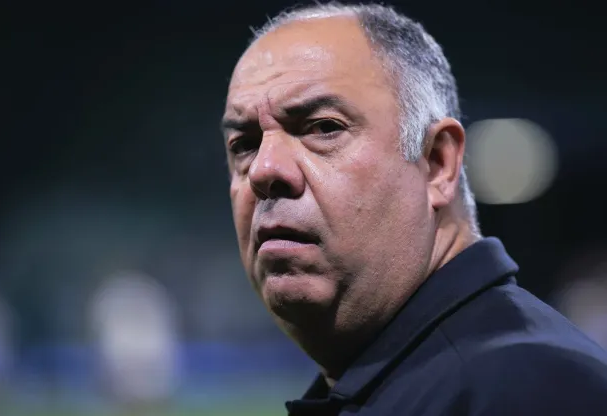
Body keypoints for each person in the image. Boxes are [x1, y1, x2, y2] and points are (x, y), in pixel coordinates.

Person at [221, 3, 607, 415]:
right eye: (244, 144)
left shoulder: (526, 387)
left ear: (437, 162)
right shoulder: (428, 379)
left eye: (323, 127)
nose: (264, 169)